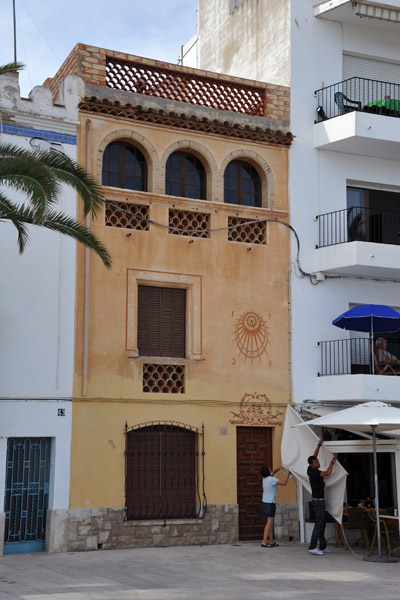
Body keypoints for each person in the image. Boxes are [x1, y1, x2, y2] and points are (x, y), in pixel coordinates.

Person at [307, 440, 337, 556]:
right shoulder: (314, 473)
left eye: (317, 461)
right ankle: (312, 546)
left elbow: (314, 455)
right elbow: (328, 473)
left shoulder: (310, 468)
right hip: (318, 502)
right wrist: (332, 462)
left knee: (322, 523)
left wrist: (318, 445)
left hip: (319, 501)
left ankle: (323, 546)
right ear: (312, 465)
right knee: (319, 523)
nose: (318, 462)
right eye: (316, 462)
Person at [260, 465, 291, 548]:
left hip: (265, 502)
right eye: (270, 469)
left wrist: (280, 468)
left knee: (270, 522)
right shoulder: (271, 479)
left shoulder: (265, 479)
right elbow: (284, 483)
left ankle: (271, 541)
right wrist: (288, 473)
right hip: (270, 503)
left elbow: (273, 472)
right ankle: (264, 542)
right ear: (268, 472)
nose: (271, 470)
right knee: (269, 523)